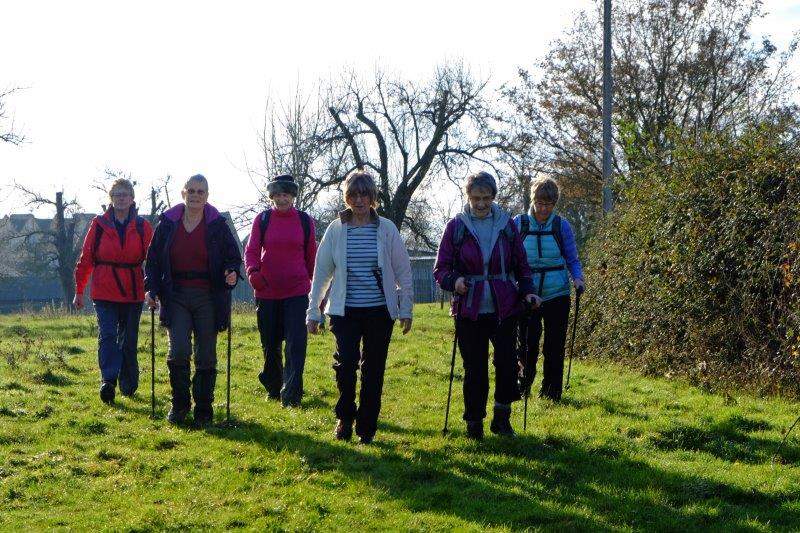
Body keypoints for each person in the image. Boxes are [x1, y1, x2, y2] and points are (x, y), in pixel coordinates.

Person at [306, 170, 413, 444]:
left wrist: (406, 310)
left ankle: (367, 429)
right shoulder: (336, 229)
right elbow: (322, 273)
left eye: (364, 194)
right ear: (347, 198)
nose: (359, 199)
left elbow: (403, 271)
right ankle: (344, 417)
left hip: (380, 311)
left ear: (373, 197)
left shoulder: (386, 229)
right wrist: (313, 311)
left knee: (373, 369)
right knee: (346, 365)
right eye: (353, 194)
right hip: (345, 311)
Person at [433, 171, 539, 440]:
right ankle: (474, 424)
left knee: (506, 364)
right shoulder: (455, 227)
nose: (481, 203)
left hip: (505, 307)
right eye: (476, 198)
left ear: (494, 197)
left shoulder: (507, 225)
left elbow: (521, 265)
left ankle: (502, 420)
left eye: (486, 198)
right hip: (469, 310)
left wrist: (528, 292)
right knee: (475, 370)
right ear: (467, 197)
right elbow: (440, 270)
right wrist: (454, 281)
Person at [144, 174, 242, 425]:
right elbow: (153, 260)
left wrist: (231, 272)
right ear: (183, 193)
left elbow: (233, 256)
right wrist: (151, 289)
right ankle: (179, 406)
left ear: (207, 196)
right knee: (178, 350)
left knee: (206, 354)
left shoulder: (217, 224)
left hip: (208, 296)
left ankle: (204, 409)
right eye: (191, 191)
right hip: (175, 294)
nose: (195, 195)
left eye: (201, 192)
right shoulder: (167, 223)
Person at [74, 178, 154, 404]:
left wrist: (153, 289)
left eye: (125, 194)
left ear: (132, 198)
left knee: (128, 339)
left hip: (133, 290)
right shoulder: (98, 225)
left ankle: (128, 384)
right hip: (104, 290)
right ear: (111, 198)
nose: (121, 198)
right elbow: (86, 258)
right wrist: (79, 290)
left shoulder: (142, 227)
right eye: (117, 194)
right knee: (108, 335)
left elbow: (154, 260)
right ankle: (108, 381)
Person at [244, 174, 317, 407]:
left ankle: (292, 393)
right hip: (267, 292)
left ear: (293, 196)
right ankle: (274, 386)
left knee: (296, 344)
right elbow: (252, 250)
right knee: (270, 344)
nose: (281, 198)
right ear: (272, 196)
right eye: (277, 194)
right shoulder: (262, 220)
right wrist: (254, 273)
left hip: (297, 292)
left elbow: (312, 258)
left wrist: (317, 291)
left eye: (286, 194)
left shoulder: (305, 221)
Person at [514, 176, 584, 402]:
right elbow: (509, 258)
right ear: (533, 200)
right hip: (527, 294)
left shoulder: (561, 226)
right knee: (527, 345)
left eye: (549, 204)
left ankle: (551, 393)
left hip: (558, 294)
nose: (544, 209)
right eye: (540, 203)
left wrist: (578, 279)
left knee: (554, 347)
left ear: (555, 204)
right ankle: (522, 388)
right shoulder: (519, 224)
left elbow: (572, 257)